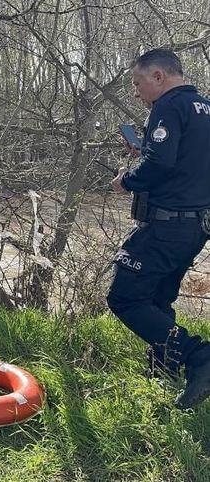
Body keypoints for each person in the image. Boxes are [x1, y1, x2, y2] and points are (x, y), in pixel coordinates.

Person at [108, 48, 210, 410]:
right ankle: (164, 370)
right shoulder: (204, 107)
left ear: (158, 77)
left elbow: (160, 165)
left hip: (168, 224)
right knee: (157, 298)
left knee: (124, 297)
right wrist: (149, 153)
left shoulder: (168, 107)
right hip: (196, 226)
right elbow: (184, 163)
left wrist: (127, 179)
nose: (137, 92)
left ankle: (200, 356)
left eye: (138, 83)